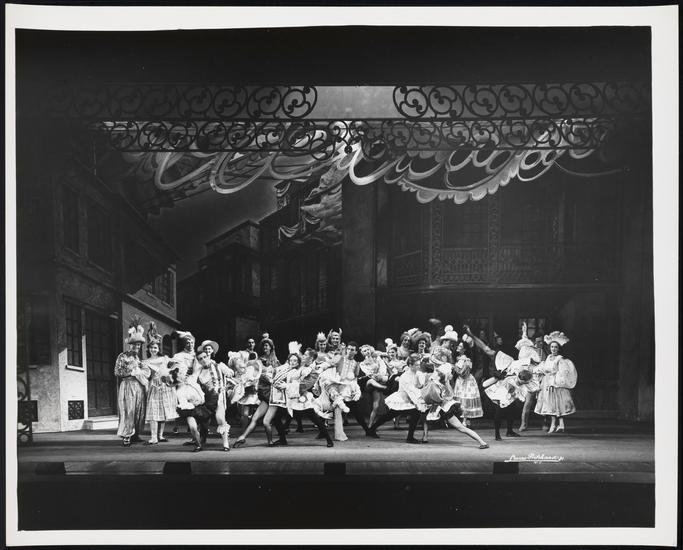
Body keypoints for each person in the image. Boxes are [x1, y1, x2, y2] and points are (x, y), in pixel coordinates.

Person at [465, 323, 540, 440]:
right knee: (499, 409)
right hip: (502, 386)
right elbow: (485, 348)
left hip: (514, 386)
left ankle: (509, 431)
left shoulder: (520, 361)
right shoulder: (502, 357)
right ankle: (497, 434)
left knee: (512, 409)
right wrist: (471, 335)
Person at [263, 345, 334, 448]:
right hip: (289, 399)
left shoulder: (310, 371)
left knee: (315, 419)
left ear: (310, 359)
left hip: (301, 400)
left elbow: (303, 386)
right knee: (277, 418)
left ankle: (328, 439)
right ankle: (283, 439)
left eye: (305, 355)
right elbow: (282, 371)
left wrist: (287, 386)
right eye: (303, 354)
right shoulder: (294, 367)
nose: (302, 356)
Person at [420, 359, 489, 448]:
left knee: (461, 427)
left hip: (443, 408)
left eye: (438, 373)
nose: (437, 373)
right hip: (441, 407)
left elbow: (436, 397)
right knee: (425, 416)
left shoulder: (438, 384)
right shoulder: (441, 382)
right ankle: (425, 437)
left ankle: (482, 442)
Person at [313, 342, 370, 441]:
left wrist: (355, 390)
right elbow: (328, 364)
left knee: (355, 410)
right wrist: (320, 369)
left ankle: (368, 430)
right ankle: (322, 432)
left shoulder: (356, 364)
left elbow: (354, 378)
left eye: (352, 350)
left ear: (356, 352)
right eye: (348, 349)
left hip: (347, 389)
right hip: (335, 386)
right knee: (327, 408)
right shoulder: (340, 358)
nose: (349, 351)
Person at [366, 353, 427, 444]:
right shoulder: (405, 376)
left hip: (410, 399)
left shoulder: (418, 374)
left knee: (413, 414)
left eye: (419, 364)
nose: (419, 366)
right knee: (390, 416)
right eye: (416, 365)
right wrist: (417, 403)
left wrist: (419, 382)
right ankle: (372, 429)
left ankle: (371, 429)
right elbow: (409, 392)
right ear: (410, 365)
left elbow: (419, 387)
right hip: (402, 399)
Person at [114, 320, 150, 447]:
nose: (137, 347)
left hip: (139, 386)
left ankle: (135, 434)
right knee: (128, 410)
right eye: (135, 345)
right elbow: (117, 371)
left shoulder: (138, 358)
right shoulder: (122, 356)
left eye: (139, 345)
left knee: (139, 411)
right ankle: (127, 435)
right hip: (128, 385)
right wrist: (132, 371)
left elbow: (144, 372)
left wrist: (142, 371)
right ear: (130, 345)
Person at [194, 342, 234, 451]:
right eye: (200, 359)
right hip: (206, 398)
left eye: (204, 357)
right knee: (202, 420)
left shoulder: (219, 365)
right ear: (198, 361)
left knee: (220, 418)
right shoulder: (198, 371)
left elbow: (230, 373)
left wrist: (228, 373)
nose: (203, 360)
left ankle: (225, 443)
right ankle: (201, 441)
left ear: (208, 356)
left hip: (219, 396)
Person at [535, 331, 577, 433]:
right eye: (552, 347)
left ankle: (561, 424)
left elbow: (563, 372)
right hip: (547, 384)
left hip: (556, 384)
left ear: (558, 349)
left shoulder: (560, 359)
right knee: (550, 405)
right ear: (549, 348)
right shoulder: (548, 358)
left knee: (558, 404)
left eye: (556, 347)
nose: (553, 349)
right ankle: (553, 424)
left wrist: (555, 380)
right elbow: (545, 368)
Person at [144, 322, 177, 445]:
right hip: (154, 386)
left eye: (155, 348)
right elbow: (146, 375)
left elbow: (174, 368)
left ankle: (160, 435)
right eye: (151, 348)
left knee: (163, 411)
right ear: (148, 349)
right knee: (154, 411)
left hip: (164, 386)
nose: (153, 350)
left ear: (158, 349)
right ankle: (153, 437)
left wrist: (171, 376)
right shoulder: (146, 361)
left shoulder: (164, 359)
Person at [261, 343, 300, 446]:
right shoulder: (286, 367)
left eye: (295, 361)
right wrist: (269, 372)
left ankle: (272, 441)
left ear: (298, 363)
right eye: (291, 360)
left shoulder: (295, 372)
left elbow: (295, 385)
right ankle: (281, 439)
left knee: (267, 421)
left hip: (282, 400)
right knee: (276, 419)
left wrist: (285, 385)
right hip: (275, 397)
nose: (292, 362)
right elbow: (275, 371)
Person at [453, 339, 484, 426]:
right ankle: (464, 419)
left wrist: (455, 367)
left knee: (466, 399)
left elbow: (463, 373)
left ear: (464, 349)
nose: (458, 347)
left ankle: (465, 418)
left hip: (466, 380)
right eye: (458, 346)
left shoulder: (466, 360)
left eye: (460, 346)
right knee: (461, 399)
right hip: (460, 381)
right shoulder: (458, 358)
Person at [520, 334, 547, 431]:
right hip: (532, 379)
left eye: (542, 341)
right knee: (528, 402)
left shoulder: (545, 351)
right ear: (534, 342)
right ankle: (523, 423)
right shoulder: (529, 351)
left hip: (542, 379)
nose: (540, 343)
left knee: (544, 402)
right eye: (538, 341)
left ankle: (545, 423)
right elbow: (524, 363)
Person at [229, 350, 262, 432]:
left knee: (246, 413)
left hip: (250, 392)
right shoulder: (240, 370)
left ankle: (245, 428)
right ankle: (246, 427)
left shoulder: (251, 367)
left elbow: (253, 377)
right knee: (244, 412)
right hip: (244, 392)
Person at [358, 344, 389, 428]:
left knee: (376, 406)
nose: (367, 352)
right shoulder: (362, 364)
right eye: (364, 351)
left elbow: (383, 368)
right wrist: (374, 374)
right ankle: (384, 388)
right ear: (362, 353)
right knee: (371, 381)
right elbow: (368, 373)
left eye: (368, 350)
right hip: (368, 384)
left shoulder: (377, 359)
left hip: (377, 384)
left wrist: (380, 374)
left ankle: (370, 425)